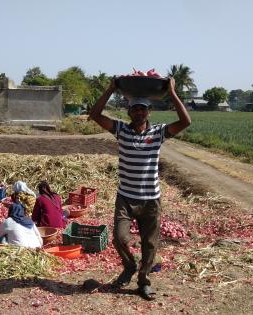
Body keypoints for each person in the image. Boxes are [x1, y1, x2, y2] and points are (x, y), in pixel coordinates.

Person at [89, 76, 191, 300]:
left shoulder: (159, 133)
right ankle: (129, 265)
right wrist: (110, 89)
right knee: (119, 237)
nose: (139, 113)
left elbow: (185, 122)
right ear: (129, 112)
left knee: (150, 244)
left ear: (149, 112)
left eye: (143, 109)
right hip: (125, 197)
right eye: (135, 109)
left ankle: (144, 280)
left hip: (151, 200)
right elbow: (95, 115)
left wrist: (172, 92)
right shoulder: (121, 131)